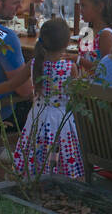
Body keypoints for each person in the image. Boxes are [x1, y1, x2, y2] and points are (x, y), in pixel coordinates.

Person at [15, 17, 82, 179]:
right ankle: (62, 179)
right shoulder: (70, 67)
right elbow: (77, 95)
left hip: (37, 116)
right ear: (67, 43)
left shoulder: (34, 63)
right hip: (61, 118)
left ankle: (36, 177)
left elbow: (12, 83)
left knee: (36, 148)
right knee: (64, 151)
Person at [76, 0, 112, 74]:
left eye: (83, 5)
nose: (80, 10)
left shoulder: (106, 35)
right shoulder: (87, 31)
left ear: (99, 7)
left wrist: (78, 60)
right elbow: (84, 58)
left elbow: (106, 70)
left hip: (97, 87)